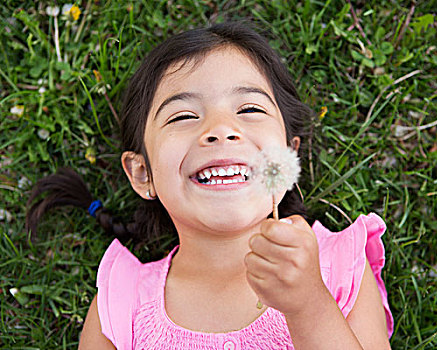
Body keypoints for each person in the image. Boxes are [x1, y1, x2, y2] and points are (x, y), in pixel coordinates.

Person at [27, 21, 393, 349]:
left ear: (288, 158)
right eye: (184, 116)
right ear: (143, 174)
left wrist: (309, 305)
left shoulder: (338, 266)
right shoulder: (122, 303)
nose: (220, 130)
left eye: (249, 109)